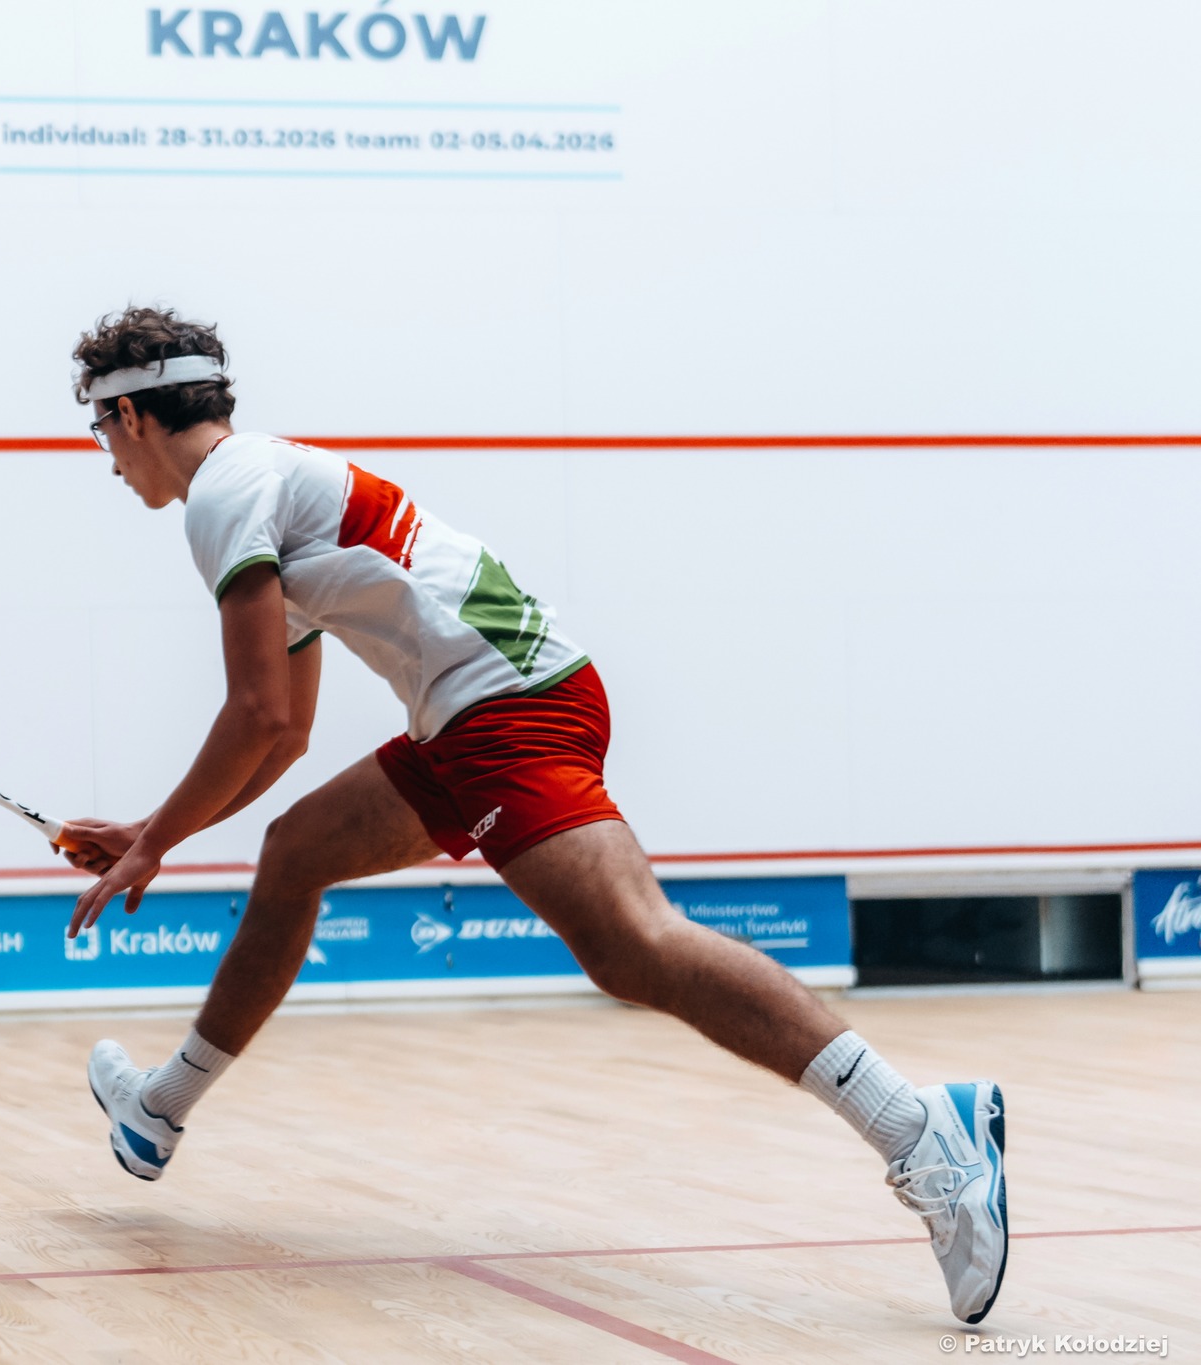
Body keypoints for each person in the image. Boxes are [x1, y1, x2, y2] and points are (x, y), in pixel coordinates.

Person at [54, 307, 1008, 1325]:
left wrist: (156, 840)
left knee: (634, 946)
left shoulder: (224, 494)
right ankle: (159, 1110)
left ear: (134, 415)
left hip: (508, 710)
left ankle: (916, 1128)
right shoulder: (267, 482)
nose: (108, 459)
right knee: (295, 852)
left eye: (102, 430)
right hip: (468, 718)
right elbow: (283, 734)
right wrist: (156, 832)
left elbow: (255, 713)